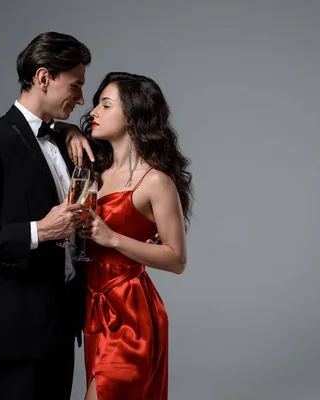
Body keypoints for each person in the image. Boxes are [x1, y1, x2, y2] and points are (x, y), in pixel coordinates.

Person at [0, 32, 91, 400]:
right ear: (43, 78)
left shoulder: (62, 138)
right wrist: (38, 231)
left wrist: (69, 130)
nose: (82, 98)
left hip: (63, 323)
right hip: (18, 328)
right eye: (75, 85)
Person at [75, 72, 193, 400]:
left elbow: (177, 259)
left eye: (105, 104)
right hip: (94, 312)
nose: (93, 111)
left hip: (130, 314)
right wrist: (71, 132)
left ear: (132, 116)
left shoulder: (156, 182)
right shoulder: (91, 172)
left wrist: (112, 238)